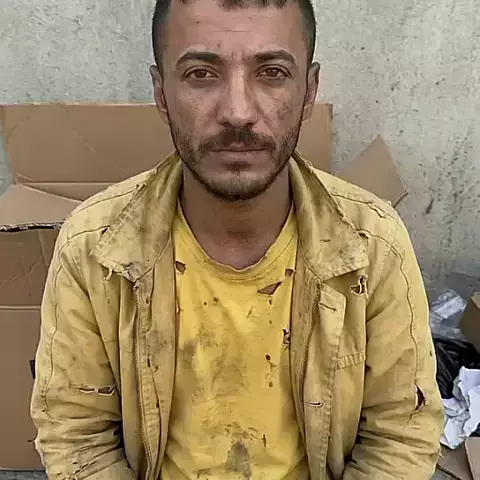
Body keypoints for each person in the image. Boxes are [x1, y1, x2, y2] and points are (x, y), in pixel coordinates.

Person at [31, 0, 444, 478]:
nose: (238, 113)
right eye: (201, 74)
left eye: (271, 73)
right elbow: (77, 438)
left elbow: (400, 437)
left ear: (309, 91)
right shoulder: (93, 247)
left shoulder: (372, 245)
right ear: (161, 93)